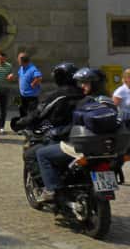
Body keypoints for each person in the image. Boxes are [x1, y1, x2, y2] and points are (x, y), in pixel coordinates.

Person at [11, 62, 83, 203]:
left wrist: (19, 123)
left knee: (32, 154)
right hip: (80, 137)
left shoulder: (57, 95)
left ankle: (50, 188)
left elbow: (38, 114)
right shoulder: (83, 93)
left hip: (60, 136)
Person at [8, 51, 42, 117]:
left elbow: (39, 78)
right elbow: (20, 76)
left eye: (18, 60)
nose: (17, 61)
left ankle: (31, 127)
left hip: (31, 98)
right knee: (21, 113)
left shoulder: (32, 69)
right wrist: (12, 77)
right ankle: (23, 126)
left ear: (22, 60)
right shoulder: (21, 68)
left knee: (31, 116)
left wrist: (33, 83)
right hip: (21, 95)